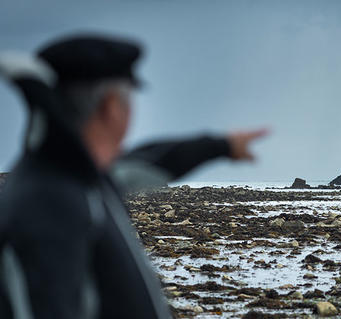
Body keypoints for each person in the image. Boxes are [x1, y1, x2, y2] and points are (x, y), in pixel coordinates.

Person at [0, 34, 266, 318]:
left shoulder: (75, 176)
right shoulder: (51, 201)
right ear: (113, 107)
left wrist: (221, 146)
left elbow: (150, 160)